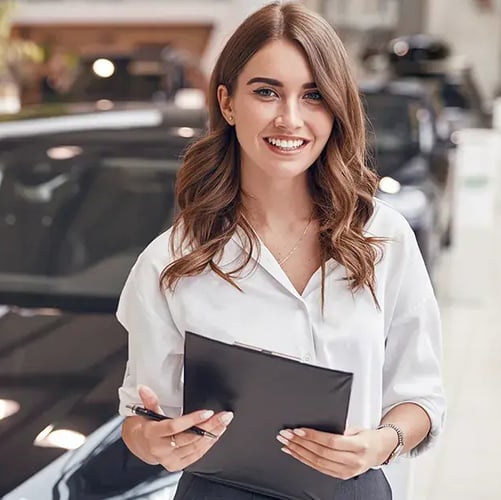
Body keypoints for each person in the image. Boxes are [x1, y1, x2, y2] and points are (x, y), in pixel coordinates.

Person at [115, 2, 446, 499]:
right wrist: (156, 442)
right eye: (267, 92)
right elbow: (138, 421)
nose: (290, 119)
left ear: (336, 108)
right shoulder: (171, 263)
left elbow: (422, 398)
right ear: (227, 103)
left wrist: (383, 442)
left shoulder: (385, 238)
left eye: (313, 96)